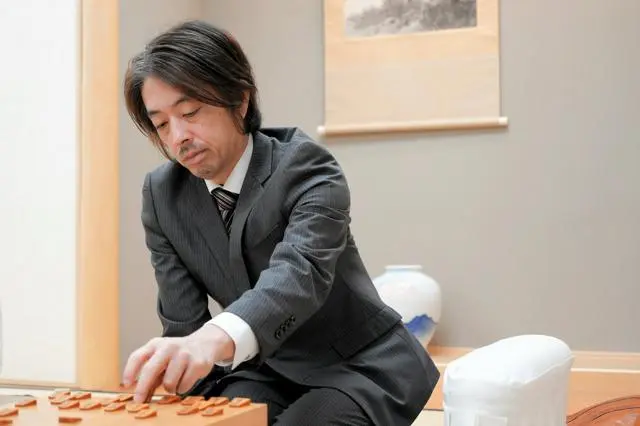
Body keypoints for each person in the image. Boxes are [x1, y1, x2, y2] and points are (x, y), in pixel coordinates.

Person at [121, 20, 440, 426]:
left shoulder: (307, 167)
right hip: (264, 372)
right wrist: (179, 380)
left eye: (190, 112)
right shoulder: (162, 194)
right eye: (162, 124)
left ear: (239, 99)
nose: (178, 136)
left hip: (357, 365)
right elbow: (184, 324)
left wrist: (211, 340)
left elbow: (299, 274)